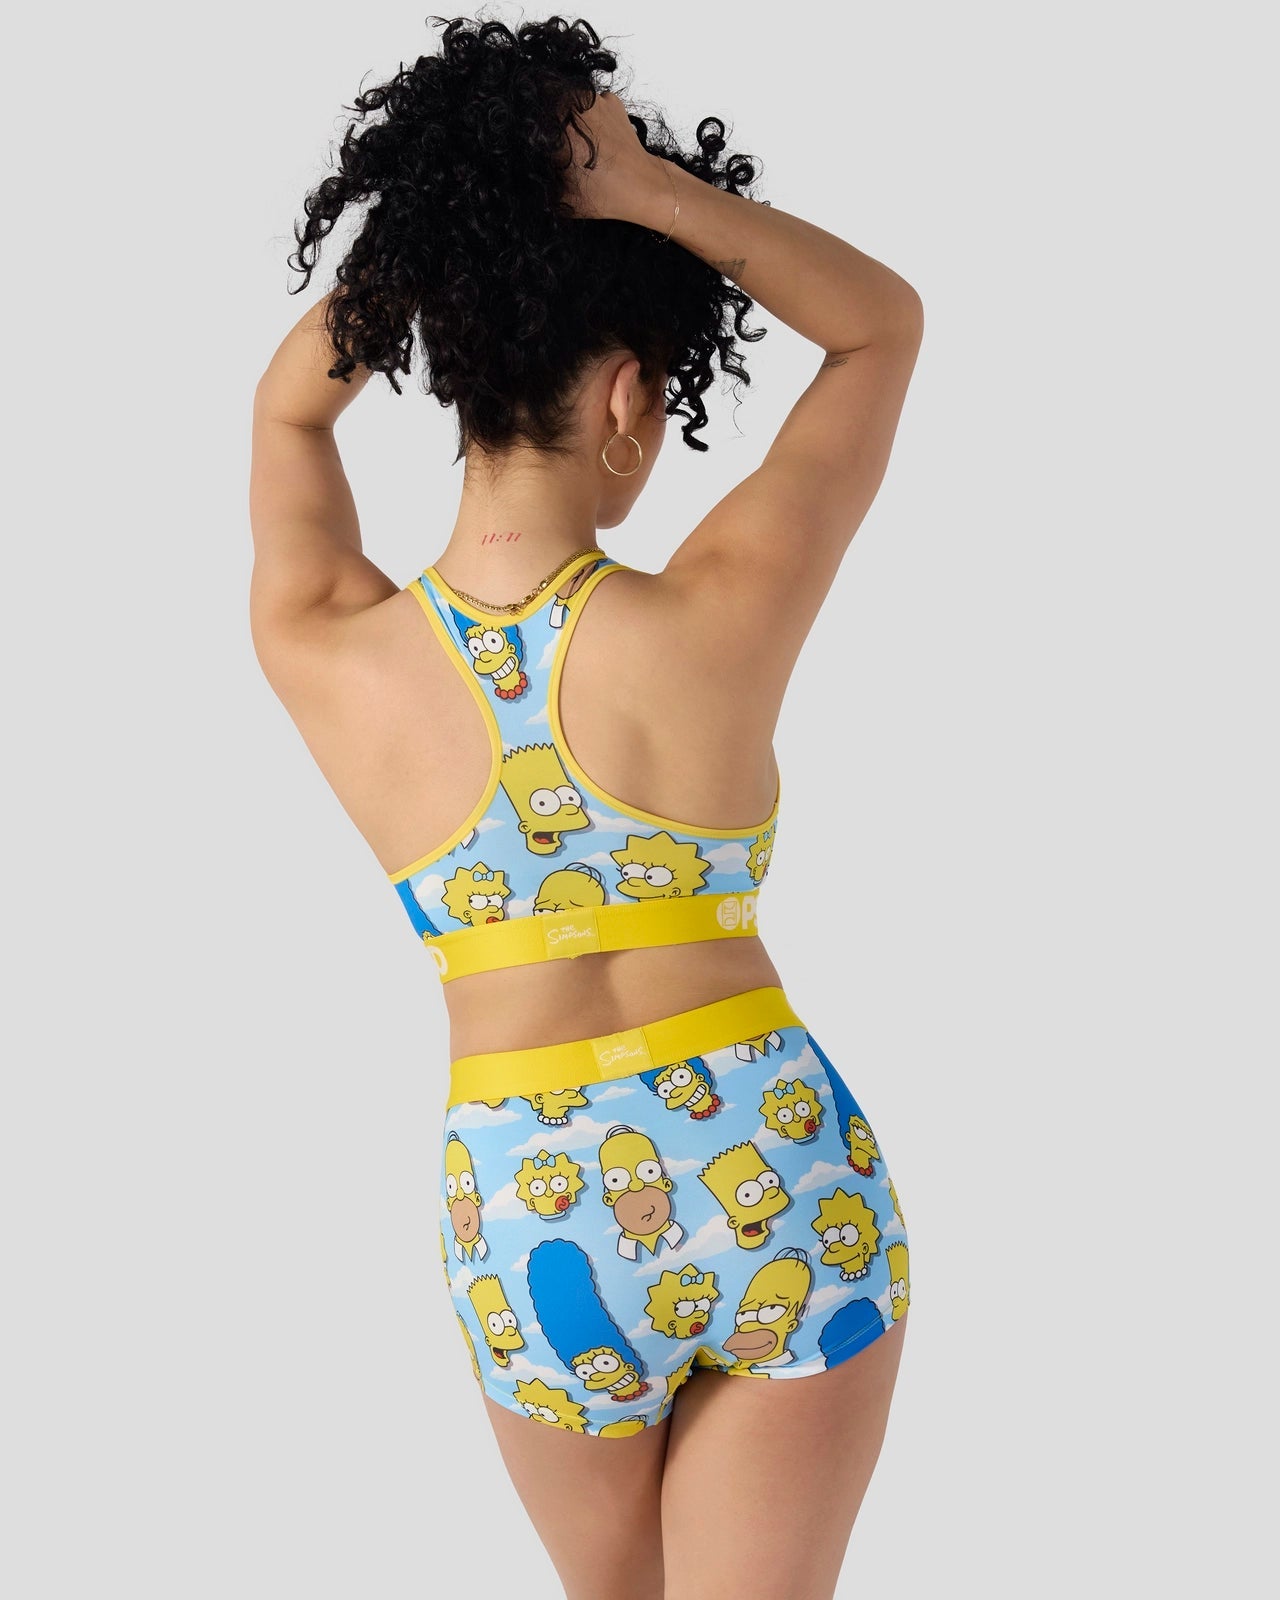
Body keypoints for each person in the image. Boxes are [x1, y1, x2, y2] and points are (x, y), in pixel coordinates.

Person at [249, 15, 923, 1598]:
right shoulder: (720, 615)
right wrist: (646, 195)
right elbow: (880, 329)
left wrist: (425, 242)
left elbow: (286, 417)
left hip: (526, 1211)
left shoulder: (329, 647)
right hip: (775, 1170)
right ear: (631, 396)